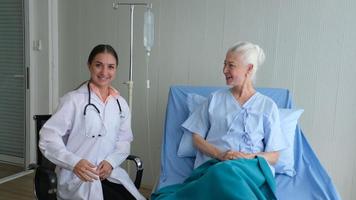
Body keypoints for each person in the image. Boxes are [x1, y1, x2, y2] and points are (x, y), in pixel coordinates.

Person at [39, 44, 145, 200]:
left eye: (110, 67)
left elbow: (124, 141)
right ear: (89, 66)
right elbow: (48, 139)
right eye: (98, 65)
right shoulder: (73, 100)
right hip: (79, 178)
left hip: (109, 174)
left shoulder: (120, 104)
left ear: (116, 69)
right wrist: (74, 163)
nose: (104, 72)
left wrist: (110, 162)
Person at [183, 41, 288, 174]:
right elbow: (196, 138)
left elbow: (274, 156)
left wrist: (247, 158)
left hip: (250, 169)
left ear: (249, 69)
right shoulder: (214, 99)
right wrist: (220, 155)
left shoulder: (267, 106)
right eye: (224, 64)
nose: (224, 70)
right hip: (215, 166)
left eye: (231, 65)